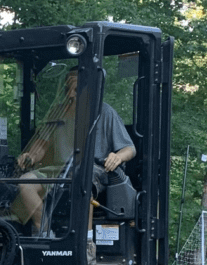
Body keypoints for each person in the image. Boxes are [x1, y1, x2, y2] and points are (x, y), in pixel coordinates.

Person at [13, 71, 134, 231]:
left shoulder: (105, 112)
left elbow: (129, 149)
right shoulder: (57, 112)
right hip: (59, 170)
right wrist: (30, 157)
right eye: (67, 90)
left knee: (82, 182)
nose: (70, 94)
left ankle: (86, 245)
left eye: (75, 90)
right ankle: (44, 232)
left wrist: (117, 156)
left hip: (93, 169)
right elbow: (41, 147)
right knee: (25, 183)